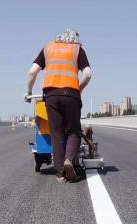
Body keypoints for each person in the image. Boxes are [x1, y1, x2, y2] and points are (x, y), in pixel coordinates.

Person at [24, 29, 92, 182]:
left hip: (51, 95)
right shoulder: (77, 49)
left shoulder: (48, 48)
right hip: (71, 94)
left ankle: (61, 173)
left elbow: (32, 72)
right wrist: (79, 88)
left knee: (56, 134)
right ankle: (69, 160)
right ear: (75, 39)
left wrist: (28, 92)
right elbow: (87, 73)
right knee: (73, 131)